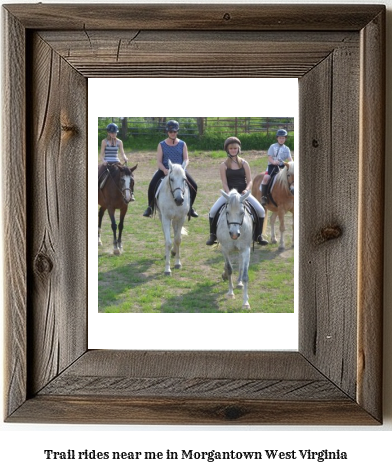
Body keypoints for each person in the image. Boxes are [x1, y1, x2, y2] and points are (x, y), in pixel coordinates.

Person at [206, 137, 268, 246]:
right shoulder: (223, 165)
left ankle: (258, 235)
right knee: (212, 211)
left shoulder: (244, 163)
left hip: (243, 194)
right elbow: (224, 182)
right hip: (229, 195)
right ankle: (213, 235)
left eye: (235, 148)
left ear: (238, 149)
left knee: (261, 211)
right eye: (231, 148)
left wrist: (246, 190)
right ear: (227, 150)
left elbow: (249, 181)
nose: (233, 150)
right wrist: (228, 193)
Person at [142, 120, 198, 218]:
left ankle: (190, 208)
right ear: (167, 132)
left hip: (180, 171)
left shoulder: (182, 144)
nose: (172, 133)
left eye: (174, 131)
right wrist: (164, 170)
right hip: (165, 170)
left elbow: (186, 158)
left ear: (177, 132)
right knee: (152, 185)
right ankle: (150, 207)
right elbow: (159, 161)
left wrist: (183, 166)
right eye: (170, 132)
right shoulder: (161, 144)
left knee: (194, 186)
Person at [260, 129, 293, 205]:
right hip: (272, 166)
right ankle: (264, 197)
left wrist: (291, 164)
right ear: (277, 138)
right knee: (266, 178)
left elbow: (290, 159)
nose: (281, 139)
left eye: (283, 138)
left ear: (285, 138)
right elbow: (269, 157)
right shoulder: (273, 146)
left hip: (282, 167)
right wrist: (274, 162)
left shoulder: (287, 148)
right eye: (280, 138)